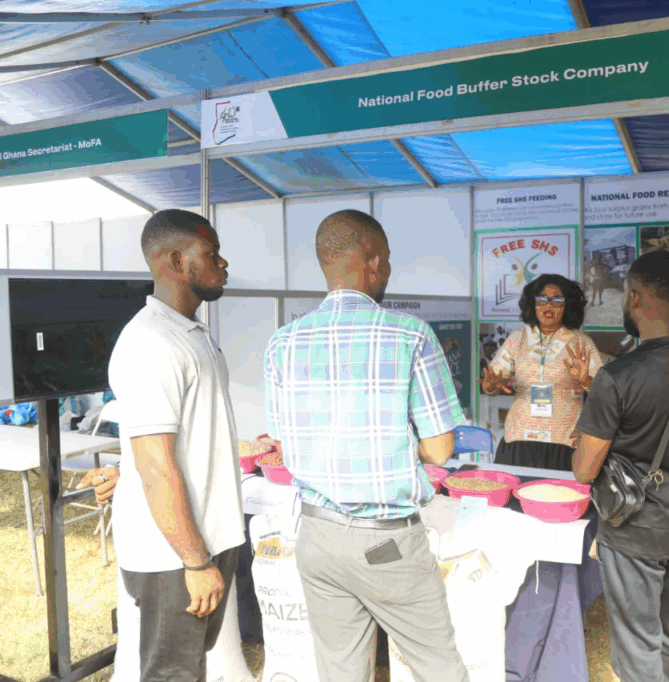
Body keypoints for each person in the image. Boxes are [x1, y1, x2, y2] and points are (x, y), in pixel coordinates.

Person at [263, 209, 469, 681]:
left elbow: (282, 441)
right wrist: (400, 443)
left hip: (315, 534)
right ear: (371, 260)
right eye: (388, 260)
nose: (389, 271)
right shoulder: (410, 335)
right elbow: (439, 451)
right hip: (386, 543)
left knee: (340, 671)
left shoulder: (282, 342)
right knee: (440, 670)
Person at [572, 250, 669, 682]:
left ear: (634, 297)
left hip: (634, 529)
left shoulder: (617, 377)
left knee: (638, 641)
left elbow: (584, 470)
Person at [104, 209, 244, 681]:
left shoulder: (191, 333)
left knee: (190, 668)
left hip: (204, 537)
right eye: (212, 254)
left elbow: (185, 438)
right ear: (176, 262)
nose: (223, 264)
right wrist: (195, 560)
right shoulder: (150, 343)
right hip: (174, 554)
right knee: (173, 674)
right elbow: (156, 465)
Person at [479, 274, 604, 471]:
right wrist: (491, 386)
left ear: (567, 305)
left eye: (557, 300)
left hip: (564, 440)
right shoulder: (517, 339)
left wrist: (586, 382)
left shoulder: (582, 344)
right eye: (542, 299)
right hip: (519, 439)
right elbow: (494, 382)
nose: (549, 306)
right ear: (532, 303)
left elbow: (604, 395)